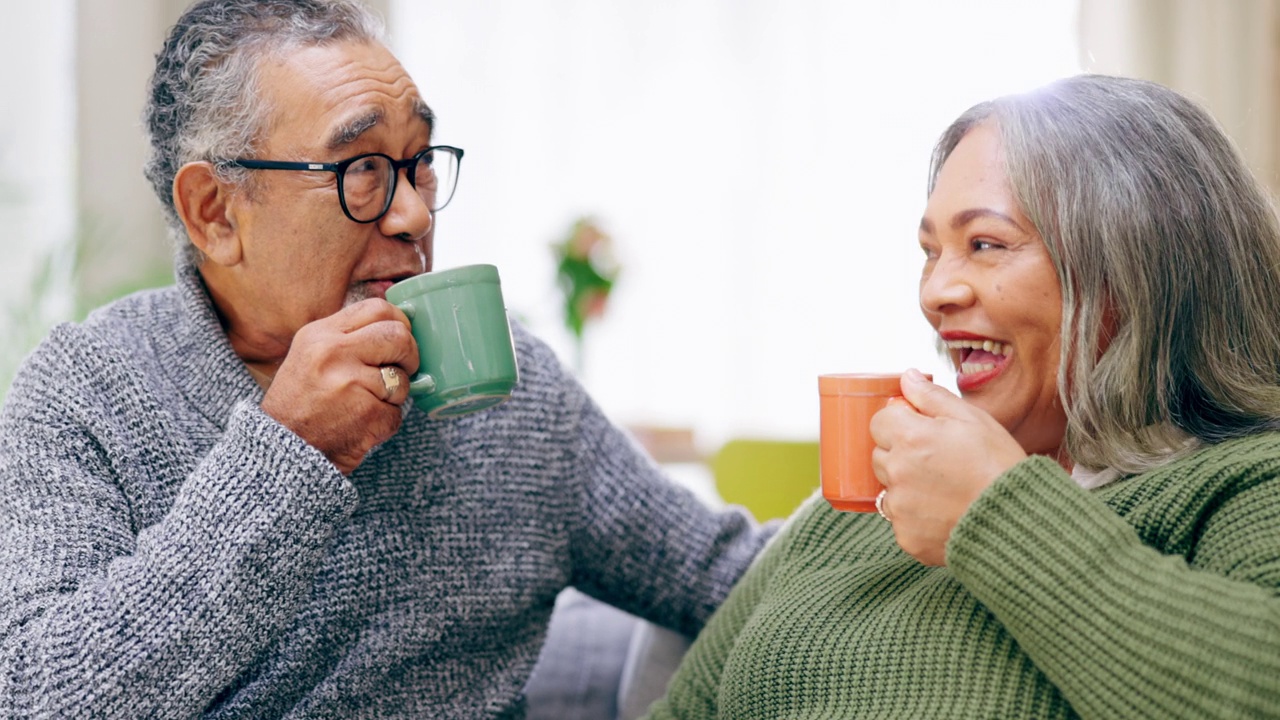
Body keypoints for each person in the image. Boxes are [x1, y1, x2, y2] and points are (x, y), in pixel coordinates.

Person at [0, 0, 771, 716]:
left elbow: (732, 578)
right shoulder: (85, 392)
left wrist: (889, 506)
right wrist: (288, 455)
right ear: (216, 213)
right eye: (361, 170)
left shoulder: (517, 393)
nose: (413, 213)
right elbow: (42, 694)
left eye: (418, 162)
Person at [642, 74, 1280, 719]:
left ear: (1138, 265)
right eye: (931, 252)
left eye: (986, 244)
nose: (934, 293)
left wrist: (994, 514)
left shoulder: (1246, 483)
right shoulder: (867, 496)